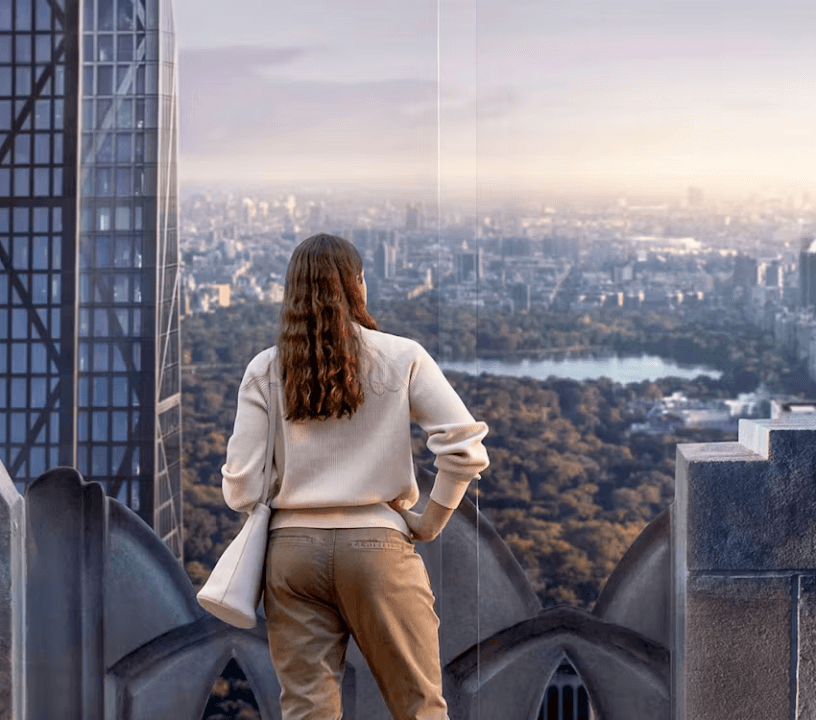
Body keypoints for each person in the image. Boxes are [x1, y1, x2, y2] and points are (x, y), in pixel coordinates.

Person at [221, 233, 489, 720]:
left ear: (293, 292)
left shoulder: (265, 369)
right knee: (420, 708)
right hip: (378, 548)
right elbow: (464, 447)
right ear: (359, 284)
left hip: (291, 556)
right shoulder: (403, 355)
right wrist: (430, 519)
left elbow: (241, 485)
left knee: (307, 712)